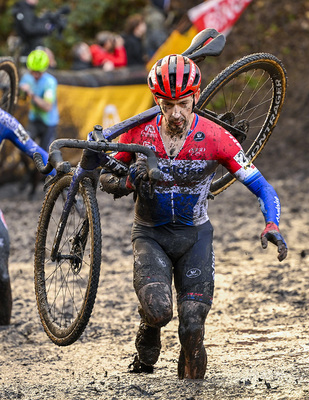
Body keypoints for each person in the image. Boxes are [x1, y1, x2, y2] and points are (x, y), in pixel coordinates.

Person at [99, 54, 288, 379]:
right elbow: (105, 178)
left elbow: (263, 187)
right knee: (159, 312)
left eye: (183, 103)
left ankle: (190, 389)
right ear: (157, 99)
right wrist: (131, 179)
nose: (176, 113)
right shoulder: (138, 132)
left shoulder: (216, 137)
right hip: (150, 235)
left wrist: (272, 223)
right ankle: (149, 327)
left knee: (191, 327)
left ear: (196, 98)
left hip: (195, 238)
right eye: (168, 103)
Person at [0, 107, 54, 325]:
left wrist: (60, 170)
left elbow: (33, 149)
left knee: (2, 249)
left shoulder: (4, 120)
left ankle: (4, 325)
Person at [19, 49, 59, 152]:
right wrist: (22, 92)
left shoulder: (50, 82)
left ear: (44, 69)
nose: (35, 75)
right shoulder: (27, 78)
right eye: (33, 71)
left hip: (49, 122)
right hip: (34, 119)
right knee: (24, 146)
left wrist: (32, 94)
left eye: (38, 72)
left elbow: (47, 107)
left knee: (46, 152)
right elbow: (21, 99)